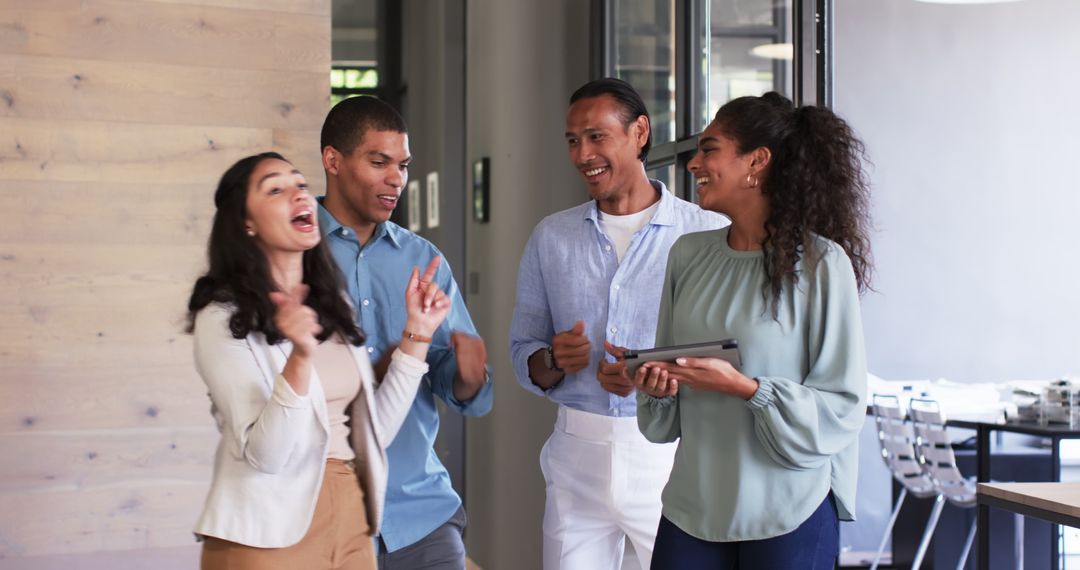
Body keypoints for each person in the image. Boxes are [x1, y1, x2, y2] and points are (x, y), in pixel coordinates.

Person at [634, 92, 872, 569]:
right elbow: (666, 413)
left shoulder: (823, 264)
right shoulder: (688, 255)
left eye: (710, 149)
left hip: (789, 509)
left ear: (756, 162)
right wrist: (657, 385)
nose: (694, 163)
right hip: (692, 505)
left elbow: (843, 405)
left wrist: (748, 389)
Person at [187, 152, 451, 569]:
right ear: (246, 222)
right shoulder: (222, 316)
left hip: (353, 516)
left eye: (300, 185)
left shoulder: (332, 304)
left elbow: (374, 432)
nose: (299, 195)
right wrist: (301, 357)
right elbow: (266, 455)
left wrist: (417, 333)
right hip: (266, 533)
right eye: (276, 189)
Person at [509, 78, 726, 570]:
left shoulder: (707, 233)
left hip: (671, 457)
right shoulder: (552, 237)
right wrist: (552, 360)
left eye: (596, 136)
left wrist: (649, 376)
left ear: (640, 133)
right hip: (573, 456)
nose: (582, 153)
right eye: (572, 140)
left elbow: (725, 354)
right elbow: (524, 350)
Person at [317, 96, 493, 569]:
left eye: (403, 165)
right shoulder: (293, 251)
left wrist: (468, 375)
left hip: (421, 513)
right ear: (333, 161)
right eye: (380, 162)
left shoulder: (423, 259)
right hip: (322, 512)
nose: (397, 178)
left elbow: (453, 383)